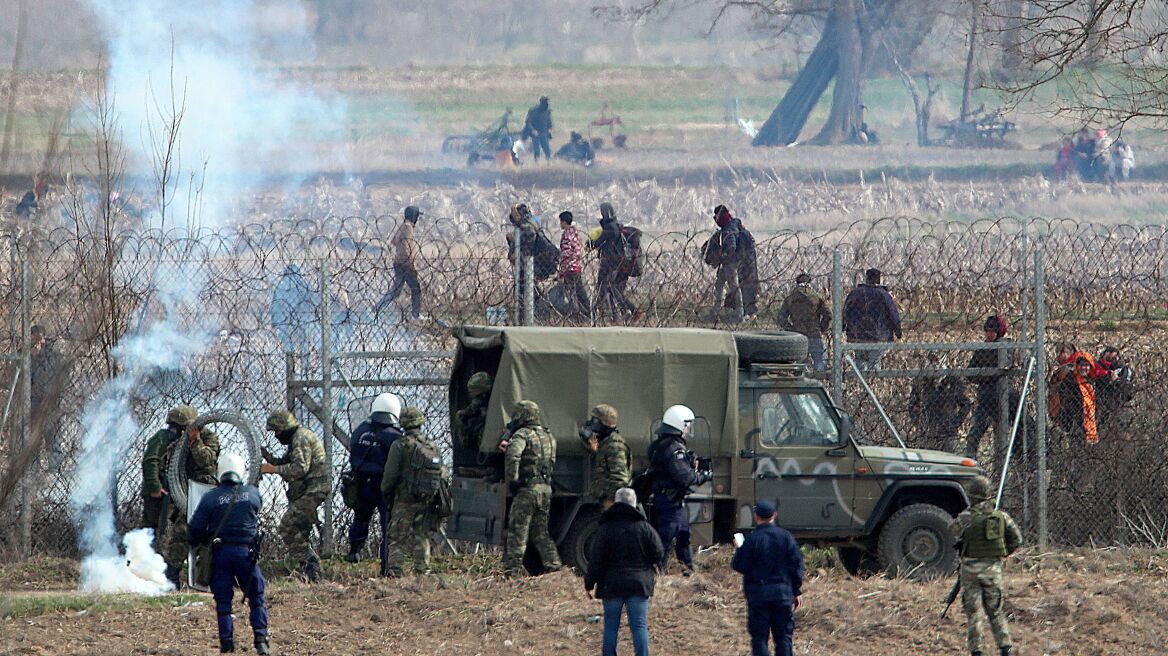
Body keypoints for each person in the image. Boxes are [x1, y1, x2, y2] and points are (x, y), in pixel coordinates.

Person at [188, 452, 270, 655]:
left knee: (223, 601)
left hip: (220, 553)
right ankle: (261, 639)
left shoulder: (210, 498)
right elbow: (257, 510)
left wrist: (202, 541)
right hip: (246, 554)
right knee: (256, 597)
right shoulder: (252, 493)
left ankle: (227, 644)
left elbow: (195, 529)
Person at [584, 487, 664, 656]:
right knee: (639, 627)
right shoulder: (644, 527)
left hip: (611, 585)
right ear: (634, 504)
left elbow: (596, 559)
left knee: (611, 627)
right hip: (639, 584)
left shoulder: (605, 528)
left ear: (616, 503)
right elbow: (659, 553)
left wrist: (589, 584)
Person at [948, 475, 1023, 656]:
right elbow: (1017, 540)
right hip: (993, 571)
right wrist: (1002, 553)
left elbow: (952, 530)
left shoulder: (966, 517)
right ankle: (1005, 647)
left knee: (974, 614)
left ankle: (976, 651)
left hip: (970, 572)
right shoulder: (1001, 517)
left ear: (971, 495)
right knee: (995, 611)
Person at [259, 410, 328, 582]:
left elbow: (299, 468)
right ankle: (310, 572)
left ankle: (310, 562)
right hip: (307, 490)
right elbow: (287, 463)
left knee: (287, 527)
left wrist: (274, 469)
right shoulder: (297, 438)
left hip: (313, 490)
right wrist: (270, 459)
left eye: (277, 431)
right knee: (300, 530)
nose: (276, 435)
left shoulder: (300, 438)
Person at [731, 500, 804, 656]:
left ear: (756, 516)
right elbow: (797, 566)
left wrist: (739, 549)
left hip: (758, 596)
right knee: (784, 638)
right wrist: (796, 591)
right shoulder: (786, 537)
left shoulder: (752, 540)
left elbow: (739, 565)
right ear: (775, 515)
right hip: (783, 595)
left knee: (759, 639)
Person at [380, 407, 445, 577]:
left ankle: (395, 571)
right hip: (427, 497)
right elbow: (441, 473)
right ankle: (422, 571)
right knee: (421, 535)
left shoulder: (400, 445)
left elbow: (390, 473)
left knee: (397, 537)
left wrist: (386, 491)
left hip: (404, 498)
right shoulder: (432, 446)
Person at [500, 400, 563, 576]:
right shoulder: (548, 436)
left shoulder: (522, 435)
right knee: (540, 532)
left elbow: (513, 457)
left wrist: (512, 481)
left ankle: (513, 571)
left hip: (527, 489)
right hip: (545, 488)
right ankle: (554, 567)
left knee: (517, 531)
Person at [647, 404, 710, 575]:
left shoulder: (660, 445)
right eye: (687, 425)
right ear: (680, 425)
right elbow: (685, 477)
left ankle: (688, 569)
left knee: (683, 534)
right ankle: (657, 571)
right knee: (667, 536)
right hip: (670, 500)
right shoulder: (674, 449)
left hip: (669, 499)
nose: (689, 430)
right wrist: (703, 476)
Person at [345, 393, 403, 564]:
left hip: (361, 482)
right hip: (385, 484)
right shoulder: (395, 435)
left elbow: (354, 454)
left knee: (361, 516)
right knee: (388, 524)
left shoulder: (360, 431)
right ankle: (387, 562)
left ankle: (354, 550)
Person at [162, 426, 221, 589]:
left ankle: (205, 578)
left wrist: (195, 441)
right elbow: (171, 463)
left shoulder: (208, 438)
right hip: (187, 491)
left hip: (205, 490)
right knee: (180, 534)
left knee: (200, 535)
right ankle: (171, 579)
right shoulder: (179, 442)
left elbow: (207, 460)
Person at [140, 406, 198, 558]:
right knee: (148, 530)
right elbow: (150, 461)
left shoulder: (185, 443)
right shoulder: (162, 437)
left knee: (168, 533)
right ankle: (139, 560)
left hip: (173, 493)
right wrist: (155, 486)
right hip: (156, 492)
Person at [965, 315, 1013, 459]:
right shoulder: (983, 349)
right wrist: (988, 374)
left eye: (991, 331)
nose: (988, 334)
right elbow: (971, 372)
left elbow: (1004, 370)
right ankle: (971, 461)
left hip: (1002, 396)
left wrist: (986, 373)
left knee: (1006, 435)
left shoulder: (1005, 347)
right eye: (986, 331)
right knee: (975, 434)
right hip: (986, 397)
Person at [908, 352, 972, 453]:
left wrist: (955, 423)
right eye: (931, 360)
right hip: (928, 433)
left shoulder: (953, 380)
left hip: (948, 433)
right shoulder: (922, 380)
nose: (934, 364)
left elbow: (966, 404)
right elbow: (912, 404)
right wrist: (919, 424)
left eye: (936, 360)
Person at [842, 268, 901, 371]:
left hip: (857, 334)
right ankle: (872, 384)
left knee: (859, 362)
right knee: (874, 364)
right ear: (879, 279)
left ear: (866, 278)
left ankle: (859, 384)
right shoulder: (883, 295)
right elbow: (893, 313)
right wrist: (898, 331)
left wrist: (842, 327)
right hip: (878, 335)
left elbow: (846, 311)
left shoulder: (855, 293)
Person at [588, 202, 638, 321]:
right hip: (617, 262)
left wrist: (591, 243)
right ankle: (616, 314)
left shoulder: (610, 228)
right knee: (611, 288)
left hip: (609, 262)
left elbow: (598, 242)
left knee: (605, 288)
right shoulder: (616, 225)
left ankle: (604, 313)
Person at [375, 206, 424, 321]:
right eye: (417, 215)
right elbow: (407, 247)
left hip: (399, 263)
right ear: (414, 216)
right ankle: (415, 315)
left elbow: (394, 241)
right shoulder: (408, 228)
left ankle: (377, 307)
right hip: (405, 264)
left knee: (396, 291)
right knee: (416, 288)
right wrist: (410, 262)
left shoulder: (403, 226)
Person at [777, 273, 831, 371]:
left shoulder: (791, 298)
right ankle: (821, 381)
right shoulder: (816, 297)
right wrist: (822, 327)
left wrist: (791, 329)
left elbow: (781, 318)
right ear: (809, 282)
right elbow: (828, 314)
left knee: (800, 364)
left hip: (798, 334)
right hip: (814, 333)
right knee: (820, 361)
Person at [581, 404, 630, 509]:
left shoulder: (614, 445)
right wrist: (595, 452)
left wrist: (608, 498)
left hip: (612, 502)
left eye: (595, 420)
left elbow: (620, 480)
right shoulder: (605, 442)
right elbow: (604, 466)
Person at [29, 325, 64, 469]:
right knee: (33, 439)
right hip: (33, 402)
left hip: (50, 401)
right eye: (34, 338)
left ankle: (55, 469)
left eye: (40, 338)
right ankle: (33, 469)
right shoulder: (26, 354)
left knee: (53, 436)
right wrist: (32, 357)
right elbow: (22, 378)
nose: (38, 342)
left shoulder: (53, 354)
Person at [704, 204, 745, 323]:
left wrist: (723, 256)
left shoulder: (728, 229)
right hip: (728, 263)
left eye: (716, 216)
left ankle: (739, 314)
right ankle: (715, 312)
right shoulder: (734, 224)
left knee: (734, 288)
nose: (715, 219)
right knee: (719, 286)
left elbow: (731, 246)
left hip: (730, 264)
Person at [1049, 352, 1101, 446]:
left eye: (1086, 365)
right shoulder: (1070, 380)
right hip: (1072, 422)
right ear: (1077, 366)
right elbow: (1067, 401)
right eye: (1081, 365)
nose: (1084, 368)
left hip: (1086, 422)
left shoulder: (1090, 382)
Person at [557, 211, 591, 320]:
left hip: (569, 269)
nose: (560, 224)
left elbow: (565, 255)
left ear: (564, 222)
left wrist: (561, 272)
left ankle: (578, 315)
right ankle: (588, 312)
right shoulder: (575, 233)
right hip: (576, 266)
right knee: (580, 291)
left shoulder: (566, 235)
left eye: (560, 221)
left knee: (571, 294)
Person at [1094, 346, 1134, 428]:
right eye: (1108, 358)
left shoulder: (1125, 371)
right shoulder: (1096, 369)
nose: (1113, 361)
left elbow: (1129, 391)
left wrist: (1117, 381)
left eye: (1115, 358)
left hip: (1119, 407)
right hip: (1100, 408)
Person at [523, 96, 553, 160]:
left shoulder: (547, 111)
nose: (547, 103)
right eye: (545, 102)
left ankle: (548, 163)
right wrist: (533, 130)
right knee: (537, 150)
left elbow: (549, 121)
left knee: (547, 150)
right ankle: (536, 163)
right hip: (535, 133)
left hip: (544, 132)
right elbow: (528, 122)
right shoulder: (533, 110)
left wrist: (550, 129)